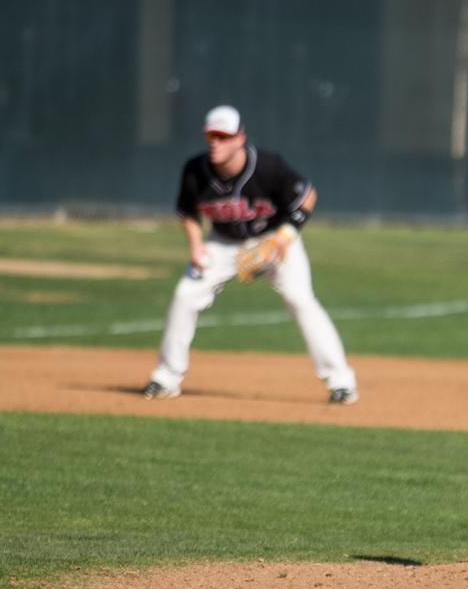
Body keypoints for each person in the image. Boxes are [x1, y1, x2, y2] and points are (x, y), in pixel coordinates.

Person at [142, 105, 358, 405]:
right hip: (223, 242)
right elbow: (188, 212)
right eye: (211, 136)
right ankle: (165, 378)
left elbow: (307, 196)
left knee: (301, 300)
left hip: (274, 239)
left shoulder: (268, 166)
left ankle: (341, 382)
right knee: (185, 295)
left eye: (223, 136)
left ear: (239, 138)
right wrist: (195, 246)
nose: (215, 142)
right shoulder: (196, 170)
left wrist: (283, 238)